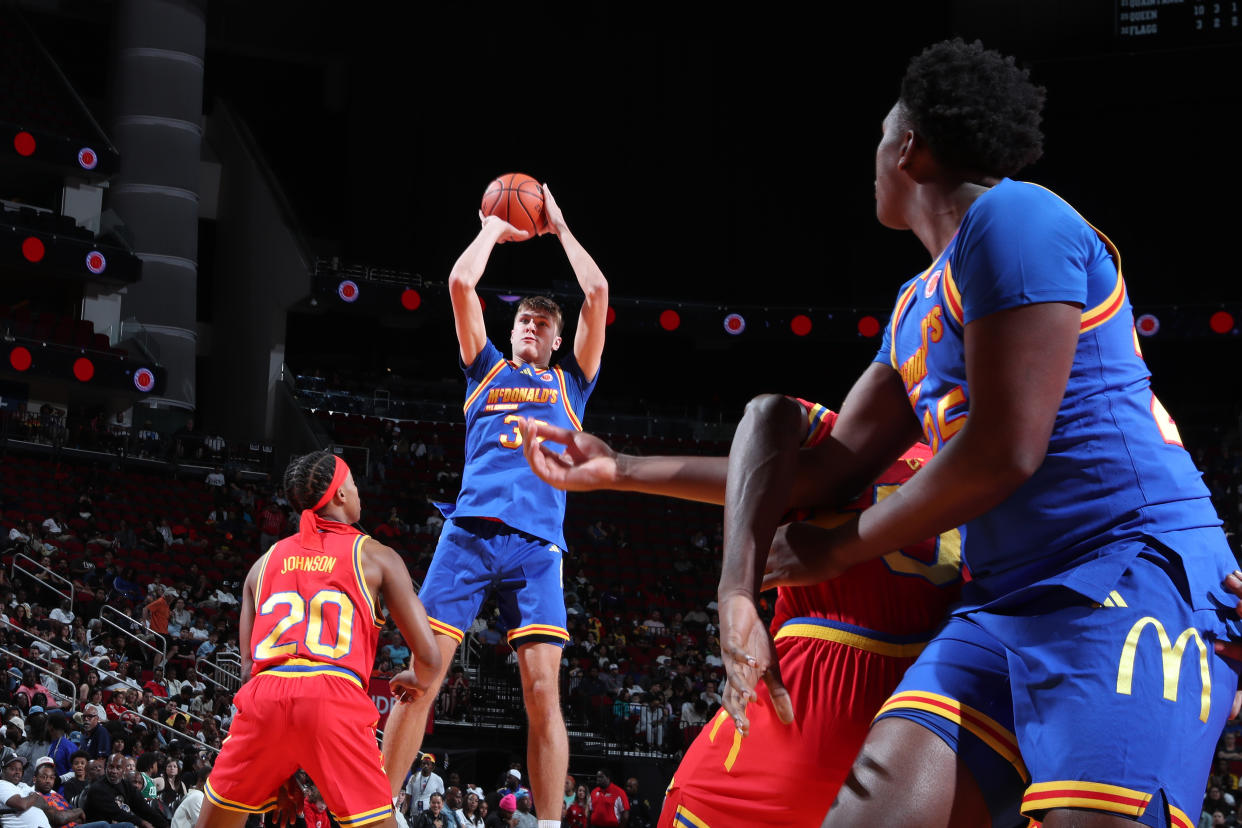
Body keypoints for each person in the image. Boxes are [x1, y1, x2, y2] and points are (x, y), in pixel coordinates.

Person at [522, 395, 978, 828]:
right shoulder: (854, 447)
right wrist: (622, 468)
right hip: (781, 720)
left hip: (916, 727)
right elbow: (765, 428)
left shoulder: (1003, 473)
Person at [381, 184, 609, 828]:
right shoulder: (483, 369)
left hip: (537, 547)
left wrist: (560, 229)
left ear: (557, 342)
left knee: (543, 692)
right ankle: (376, 811)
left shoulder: (572, 385)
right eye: (523, 322)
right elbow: (459, 283)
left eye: (542, 324)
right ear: (510, 333)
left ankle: (547, 823)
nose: (531, 327)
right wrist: (490, 229)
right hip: (469, 536)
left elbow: (597, 295)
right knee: (423, 678)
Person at [194, 450, 440, 828]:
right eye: (355, 484)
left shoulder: (262, 564)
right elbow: (429, 657)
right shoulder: (376, 556)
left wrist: (281, 761)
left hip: (264, 700)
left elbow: (247, 671)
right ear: (341, 493)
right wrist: (418, 680)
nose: (359, 492)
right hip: (332, 696)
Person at [83, 754, 164, 828]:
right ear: (106, 767)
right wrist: (142, 822)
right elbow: (116, 813)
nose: (114, 771)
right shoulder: (97, 788)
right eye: (111, 767)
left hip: (119, 824)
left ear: (124, 770)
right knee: (128, 826)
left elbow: (143, 808)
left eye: (118, 768)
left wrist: (163, 824)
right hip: (99, 826)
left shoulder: (127, 786)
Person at [404, 755, 444, 821]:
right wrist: (402, 814)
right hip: (415, 815)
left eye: (428, 764)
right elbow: (407, 798)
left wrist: (439, 816)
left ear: (432, 767)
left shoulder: (438, 779)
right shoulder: (413, 778)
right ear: (421, 765)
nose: (425, 766)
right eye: (424, 763)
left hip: (431, 817)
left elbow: (441, 799)